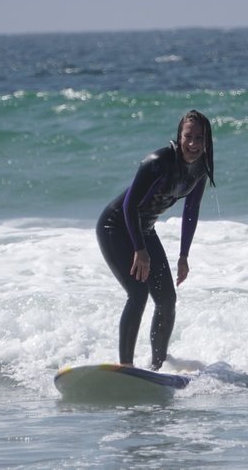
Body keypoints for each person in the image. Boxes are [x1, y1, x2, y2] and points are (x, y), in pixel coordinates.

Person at [96, 110, 216, 371]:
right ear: (179, 136)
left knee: (166, 299)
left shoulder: (200, 170)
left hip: (145, 229)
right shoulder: (158, 162)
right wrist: (139, 250)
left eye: (199, 138)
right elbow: (129, 206)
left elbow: (190, 212)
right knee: (137, 294)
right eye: (188, 137)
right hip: (116, 226)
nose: (193, 144)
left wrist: (184, 256)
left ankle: (157, 368)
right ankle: (126, 367)